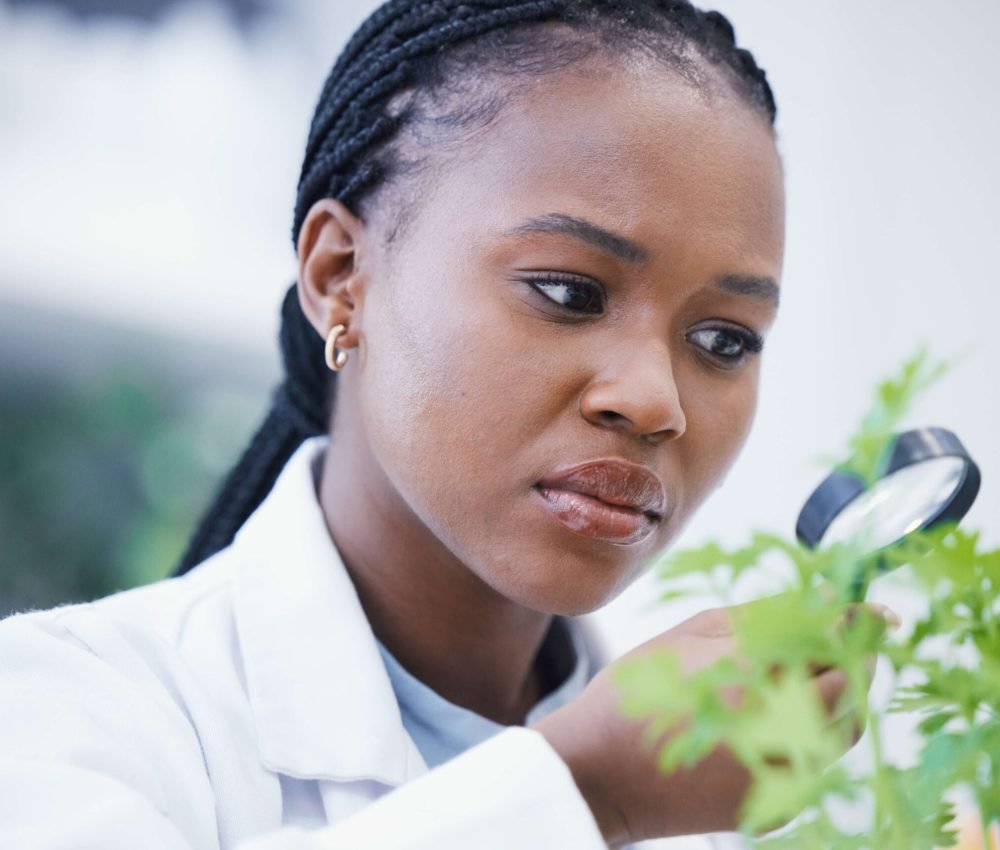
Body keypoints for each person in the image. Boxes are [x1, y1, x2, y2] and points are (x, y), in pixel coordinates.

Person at [0, 2, 878, 848]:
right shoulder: (63, 710)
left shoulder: (723, 796)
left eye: (724, 339)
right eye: (570, 291)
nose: (655, 401)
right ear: (343, 277)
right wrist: (586, 792)